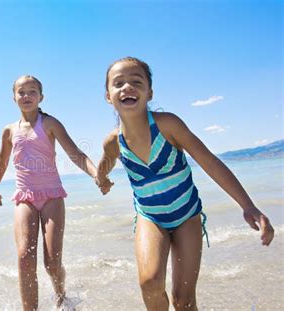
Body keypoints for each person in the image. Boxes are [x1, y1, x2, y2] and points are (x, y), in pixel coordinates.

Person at [95, 57, 274, 310]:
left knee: (183, 300)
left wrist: (248, 205)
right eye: (119, 83)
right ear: (108, 96)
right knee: (149, 282)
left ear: (150, 92)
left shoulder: (168, 125)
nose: (127, 87)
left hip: (186, 215)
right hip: (150, 217)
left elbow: (209, 162)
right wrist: (102, 180)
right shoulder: (114, 141)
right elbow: (106, 162)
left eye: (136, 81)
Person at [0, 75, 101, 310]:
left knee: (51, 262)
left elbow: (75, 153)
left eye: (32, 92)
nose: (26, 96)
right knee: (24, 258)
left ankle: (61, 294)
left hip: (51, 196)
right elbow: (2, 162)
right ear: (14, 97)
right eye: (21, 92)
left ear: (41, 97)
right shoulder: (9, 130)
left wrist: (95, 174)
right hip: (24, 197)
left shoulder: (50, 123)